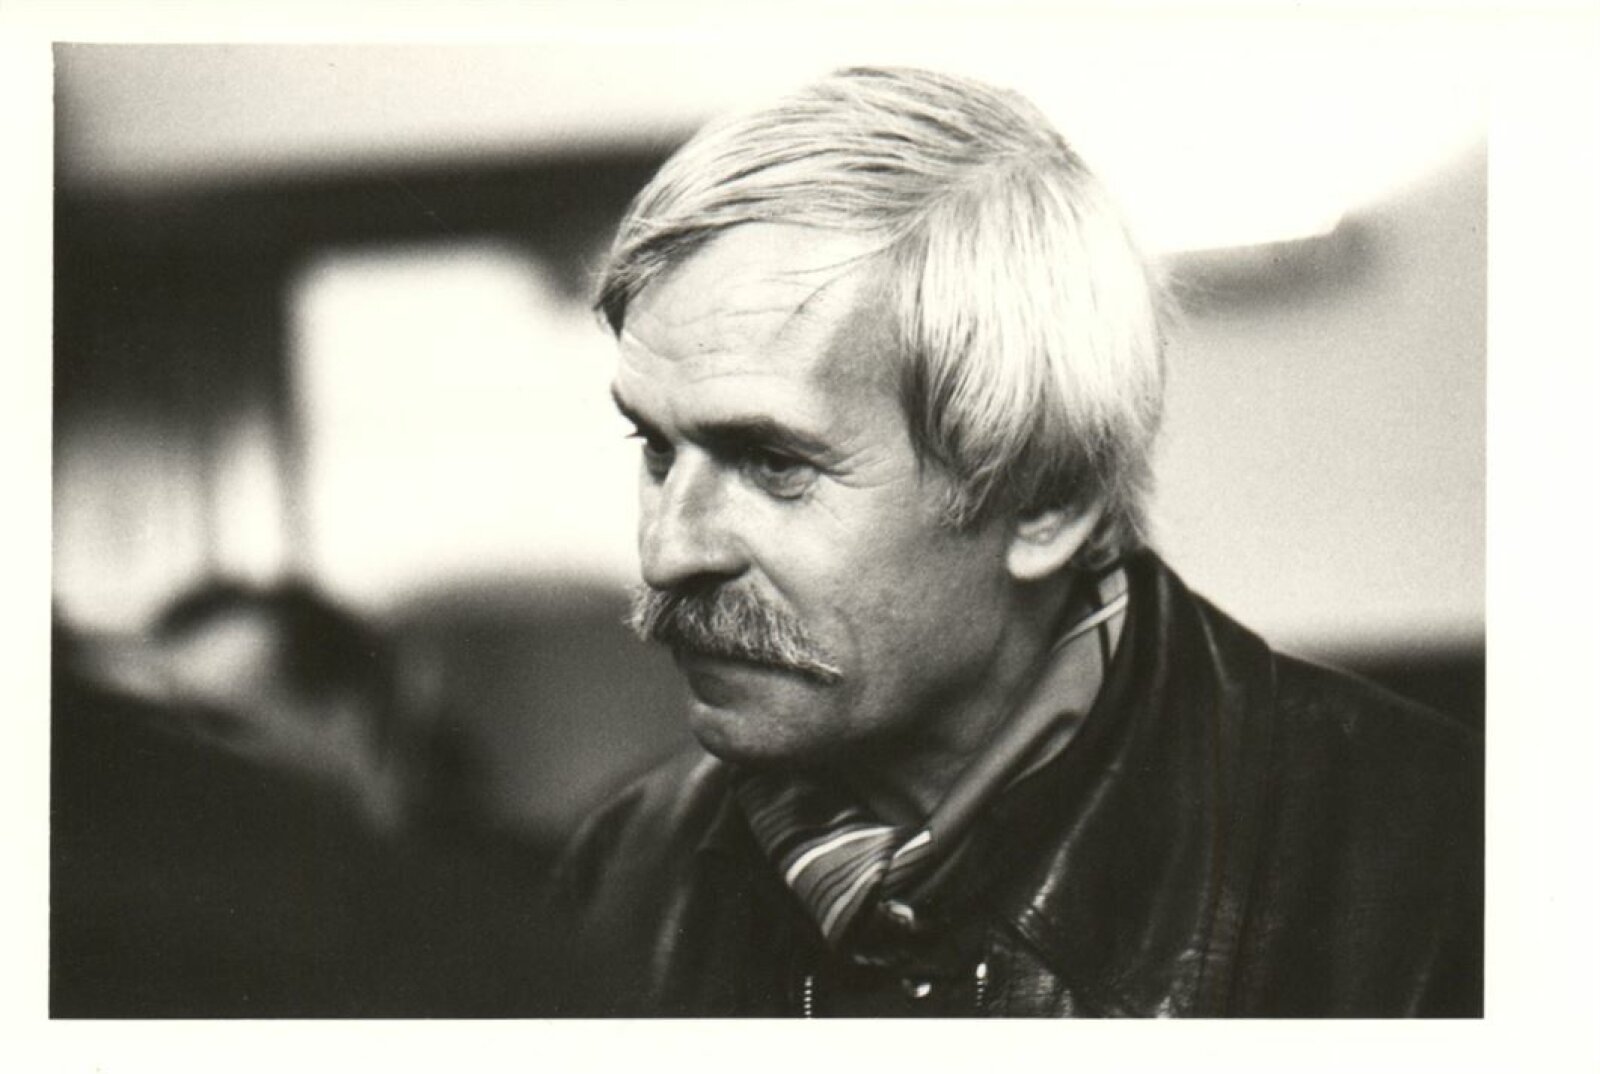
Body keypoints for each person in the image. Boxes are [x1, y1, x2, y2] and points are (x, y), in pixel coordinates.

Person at [543, 66, 1482, 1017]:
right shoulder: (625, 877)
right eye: (656, 448)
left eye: (773, 462)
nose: (667, 553)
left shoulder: (1442, 880)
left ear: (1046, 498)